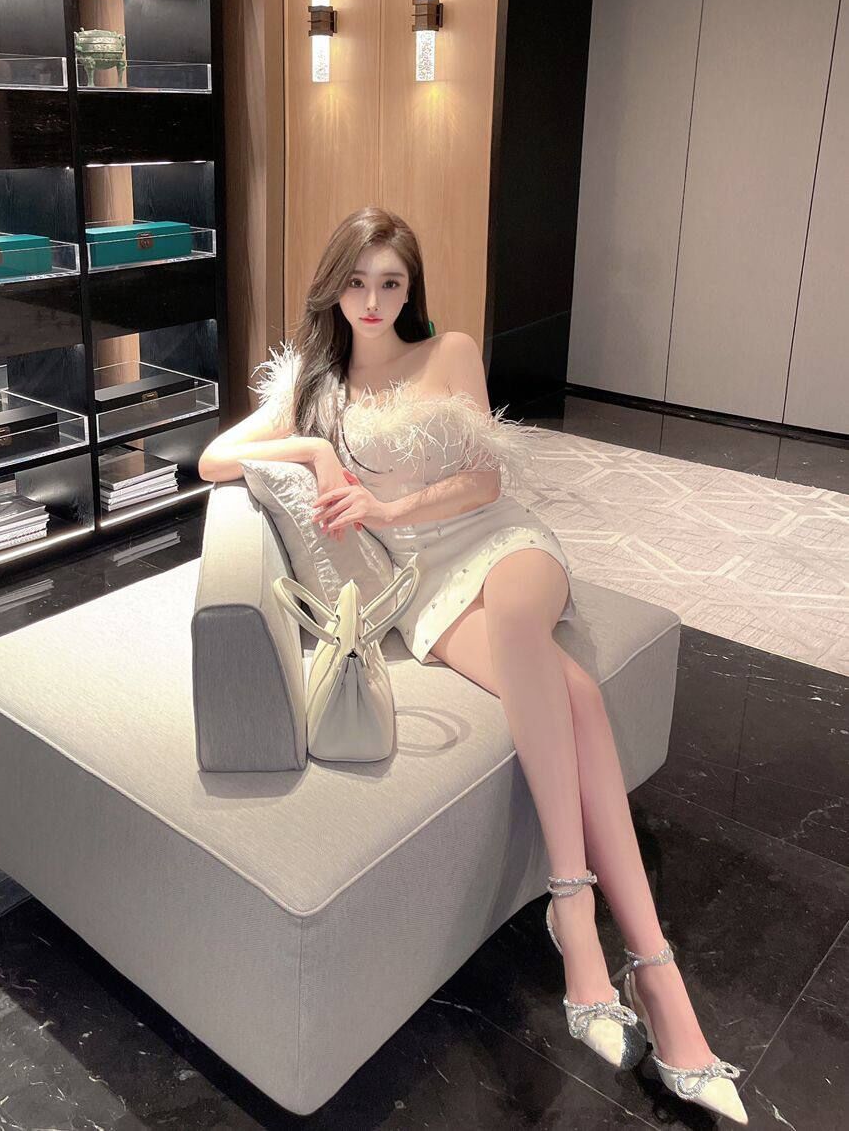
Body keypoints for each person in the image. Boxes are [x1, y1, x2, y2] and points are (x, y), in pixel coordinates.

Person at [198, 206, 748, 1124]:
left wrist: (384, 509)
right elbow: (215, 458)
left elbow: (487, 481)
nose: (373, 302)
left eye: (391, 283)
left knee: (529, 634)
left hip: (499, 544)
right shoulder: (314, 386)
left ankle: (581, 915)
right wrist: (312, 448)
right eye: (357, 282)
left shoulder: (446, 351)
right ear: (332, 287)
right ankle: (653, 976)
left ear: (411, 289)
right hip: (424, 589)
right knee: (575, 696)